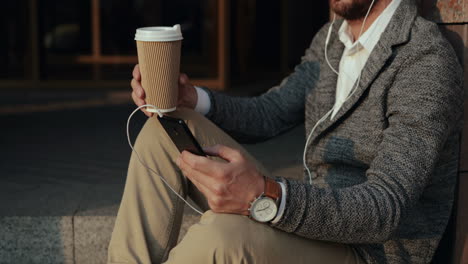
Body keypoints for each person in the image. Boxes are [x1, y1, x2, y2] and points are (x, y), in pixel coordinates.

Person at [107, 0, 464, 263]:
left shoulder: (425, 60)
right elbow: (270, 112)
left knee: (223, 235)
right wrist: (188, 98)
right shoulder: (331, 40)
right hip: (312, 216)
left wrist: (265, 195)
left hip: (371, 252)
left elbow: (385, 208)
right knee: (164, 132)